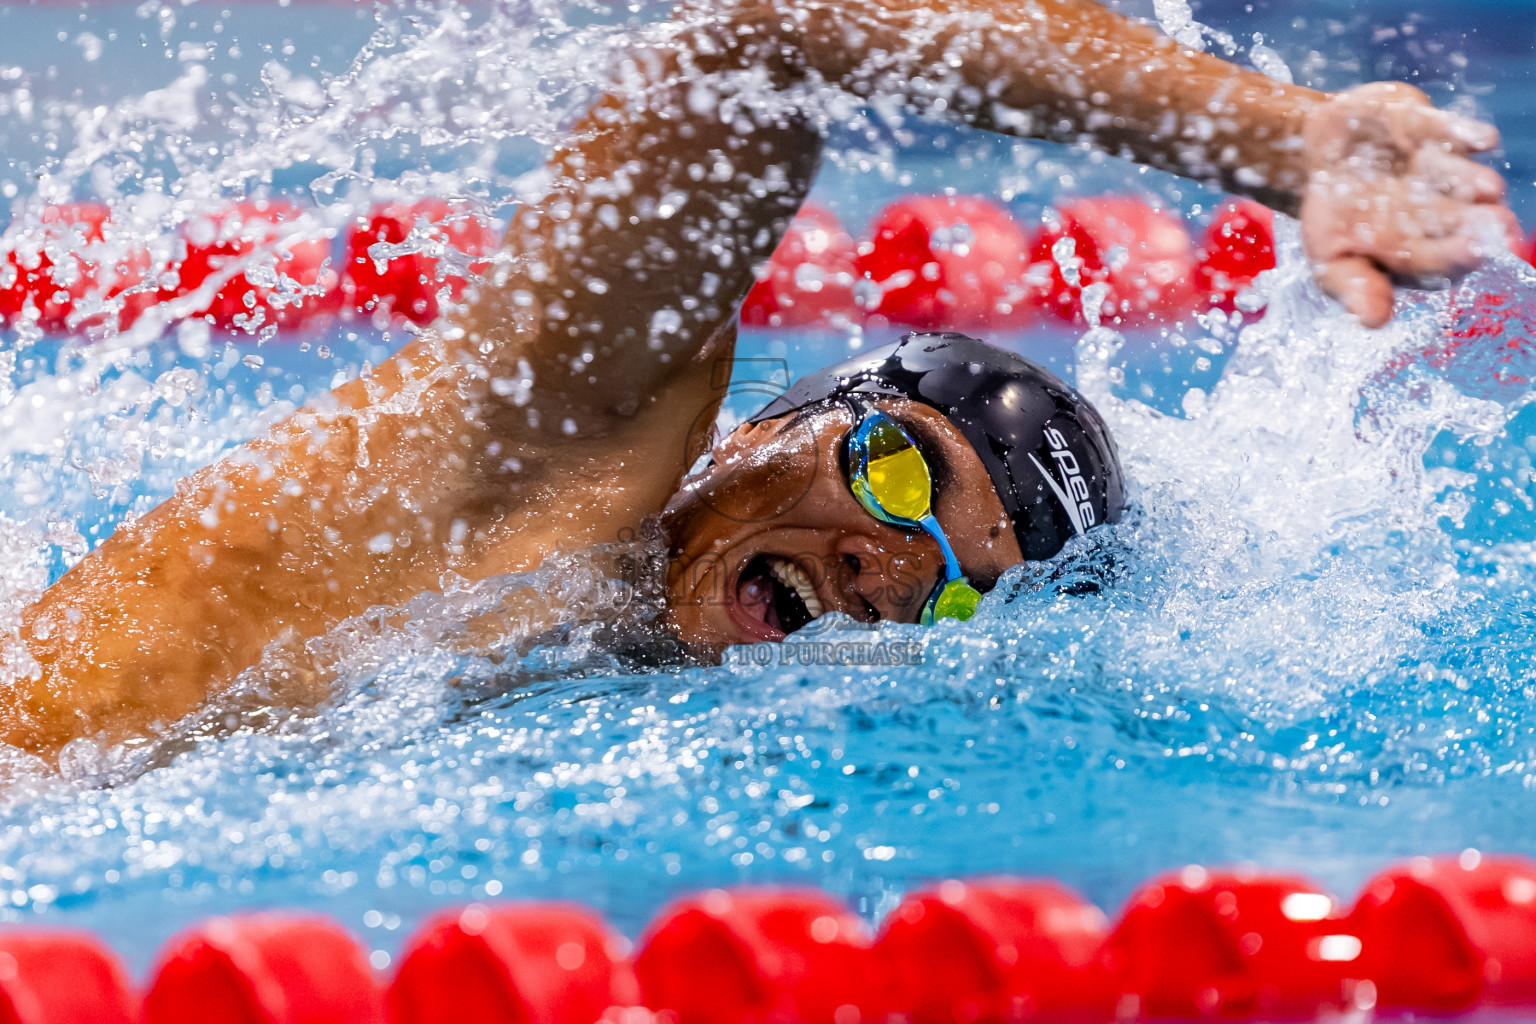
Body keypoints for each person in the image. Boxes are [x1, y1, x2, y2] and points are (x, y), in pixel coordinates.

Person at [0, 0, 1516, 757]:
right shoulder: (562, 458)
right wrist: (1268, 140)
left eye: (947, 583)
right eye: (899, 471)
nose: (881, 563)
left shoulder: (610, 695)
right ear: (784, 418)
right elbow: (767, 47)